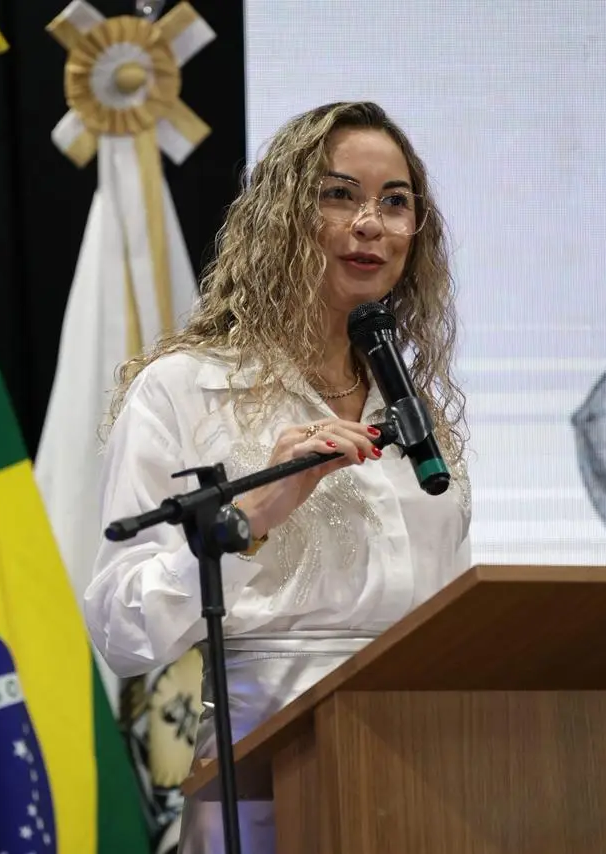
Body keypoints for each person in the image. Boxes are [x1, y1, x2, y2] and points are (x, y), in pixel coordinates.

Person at [83, 101, 473, 853]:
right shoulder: (184, 388)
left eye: (396, 202)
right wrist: (250, 517)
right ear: (281, 217)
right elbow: (121, 626)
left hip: (425, 775)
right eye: (339, 195)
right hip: (263, 771)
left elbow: (447, 618)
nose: (372, 223)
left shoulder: (418, 414)